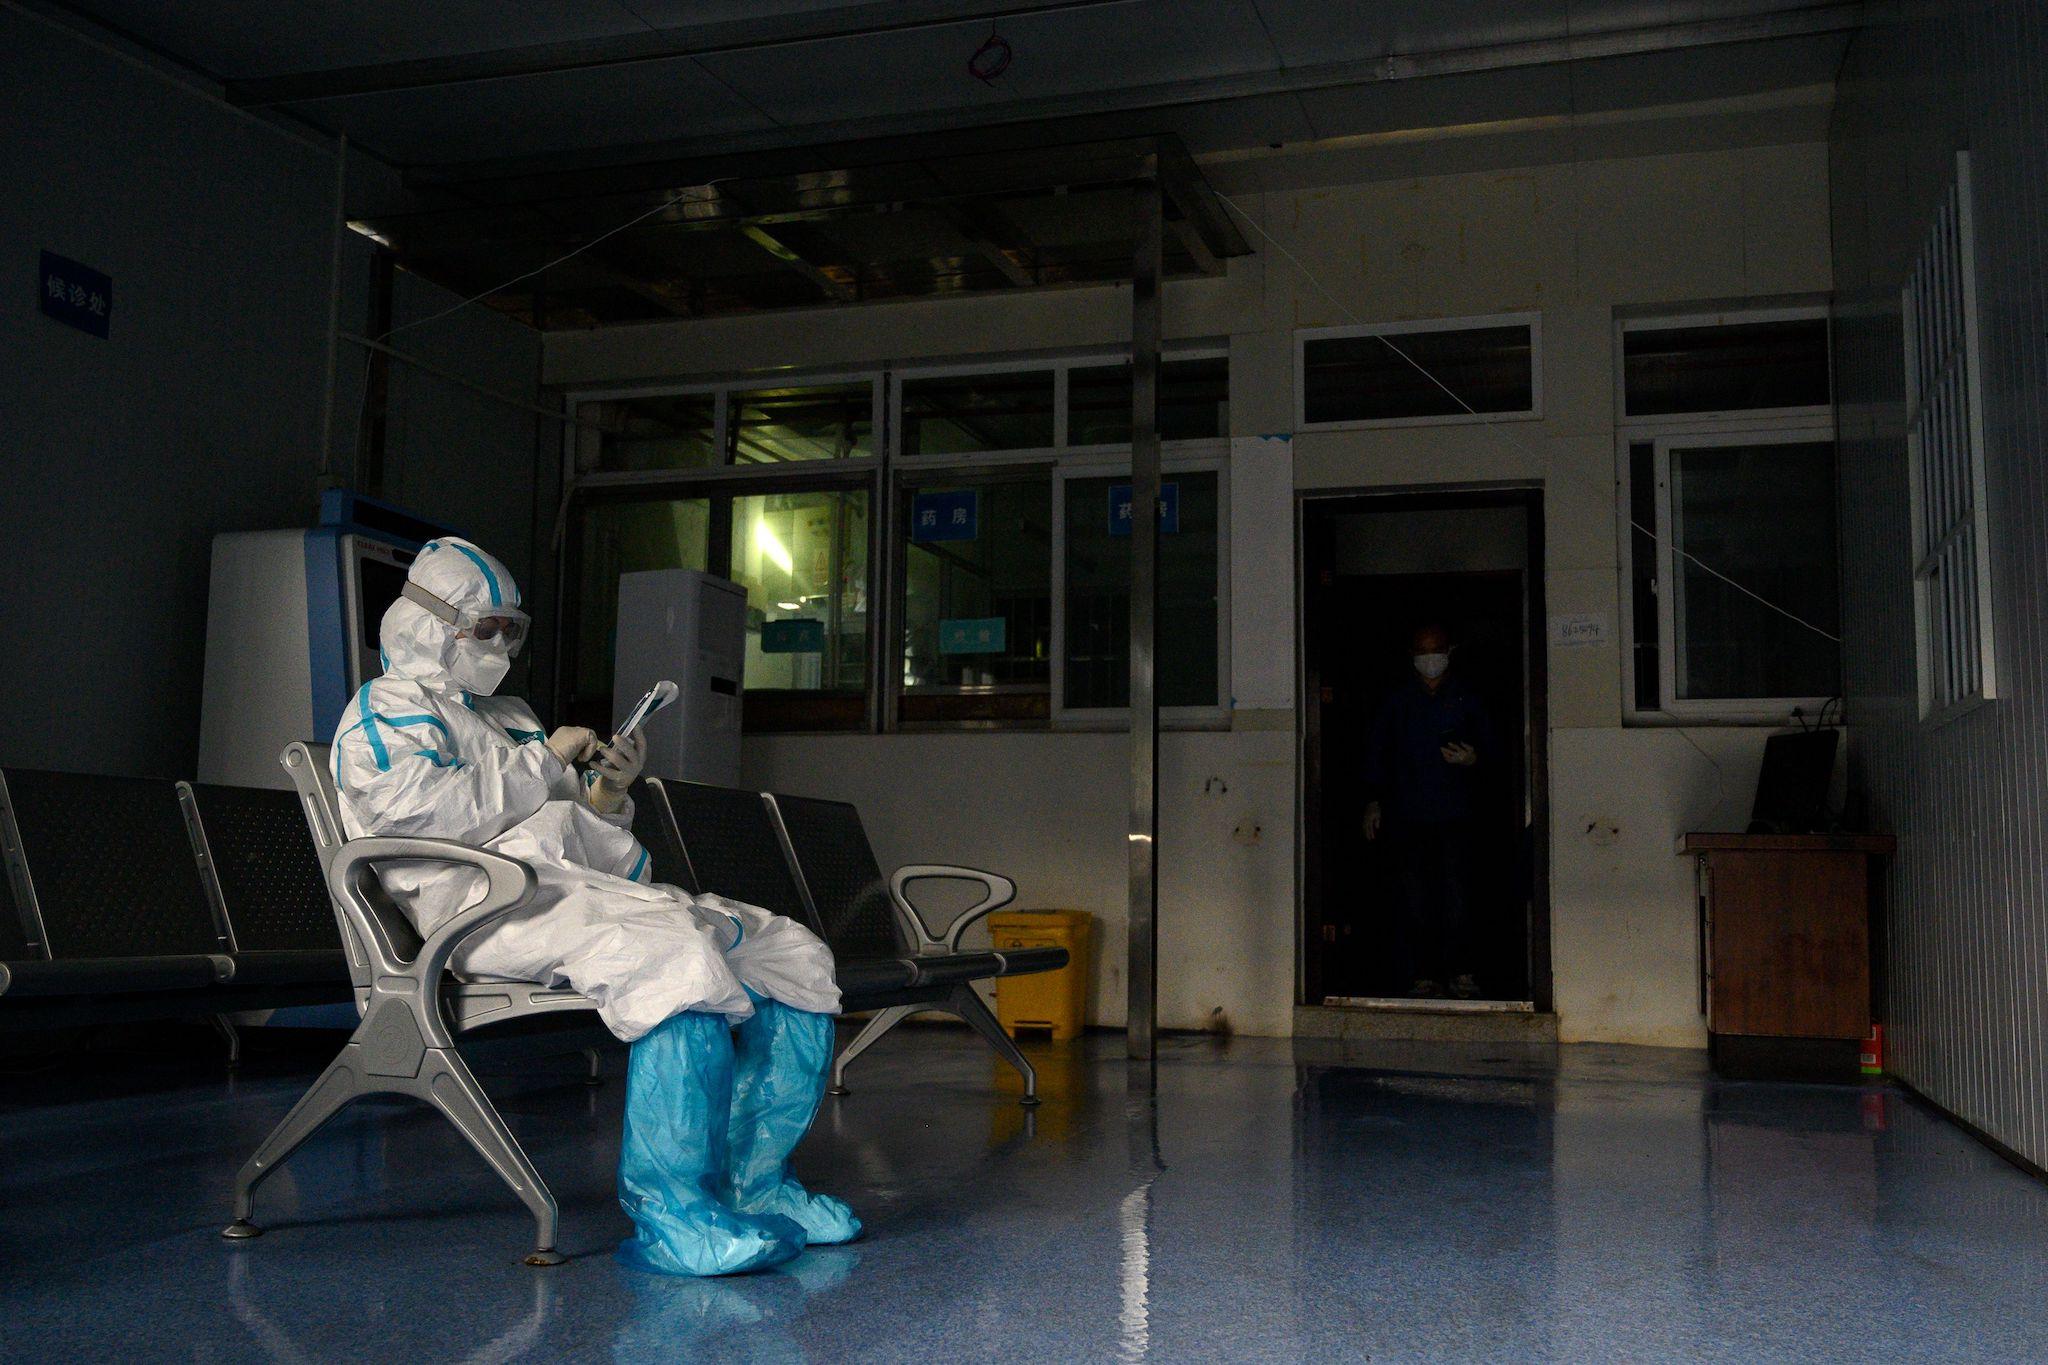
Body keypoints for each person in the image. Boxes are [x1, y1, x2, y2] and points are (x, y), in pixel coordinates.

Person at [331, 536, 859, 1276]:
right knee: (675, 950)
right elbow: (417, 819)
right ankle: (676, 1212)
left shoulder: (508, 714)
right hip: (484, 912)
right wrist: (545, 761)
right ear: (427, 623)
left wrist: (605, 797)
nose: (503, 644)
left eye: (513, 628)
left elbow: (567, 834)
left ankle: (757, 1184)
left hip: (567, 895)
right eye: (486, 627)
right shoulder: (383, 713)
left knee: (789, 949)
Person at [1361, 623, 1495, 1000]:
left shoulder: (1467, 698)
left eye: (1436, 650)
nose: (1430, 659)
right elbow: (1377, 754)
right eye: (1423, 651)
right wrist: (1373, 801)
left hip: (1457, 814)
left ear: (1449, 651)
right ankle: (1423, 975)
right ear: (1412, 655)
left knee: (1459, 896)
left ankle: (1462, 973)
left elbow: (1496, 753)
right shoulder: (1398, 701)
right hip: (1409, 814)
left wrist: (1474, 759)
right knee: (1414, 897)